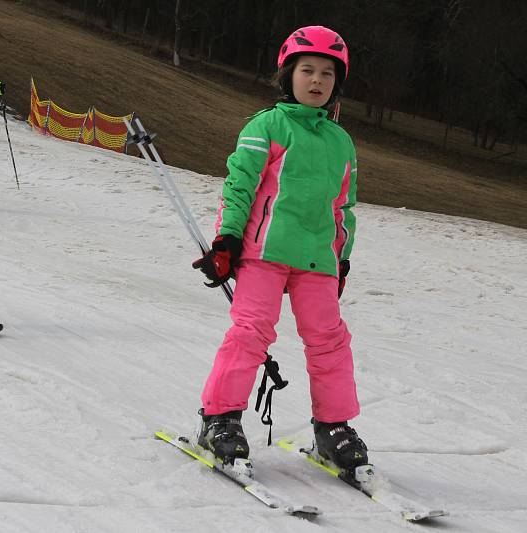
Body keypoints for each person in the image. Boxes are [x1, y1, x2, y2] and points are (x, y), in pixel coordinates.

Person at [193, 26, 367, 474]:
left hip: (317, 259)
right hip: (264, 252)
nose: (317, 80)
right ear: (288, 74)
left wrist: (341, 257)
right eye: (307, 70)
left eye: (327, 74)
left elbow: (343, 208)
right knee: (251, 331)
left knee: (329, 341)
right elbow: (239, 186)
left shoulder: (341, 142)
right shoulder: (267, 125)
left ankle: (333, 428)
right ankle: (220, 418)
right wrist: (226, 241)